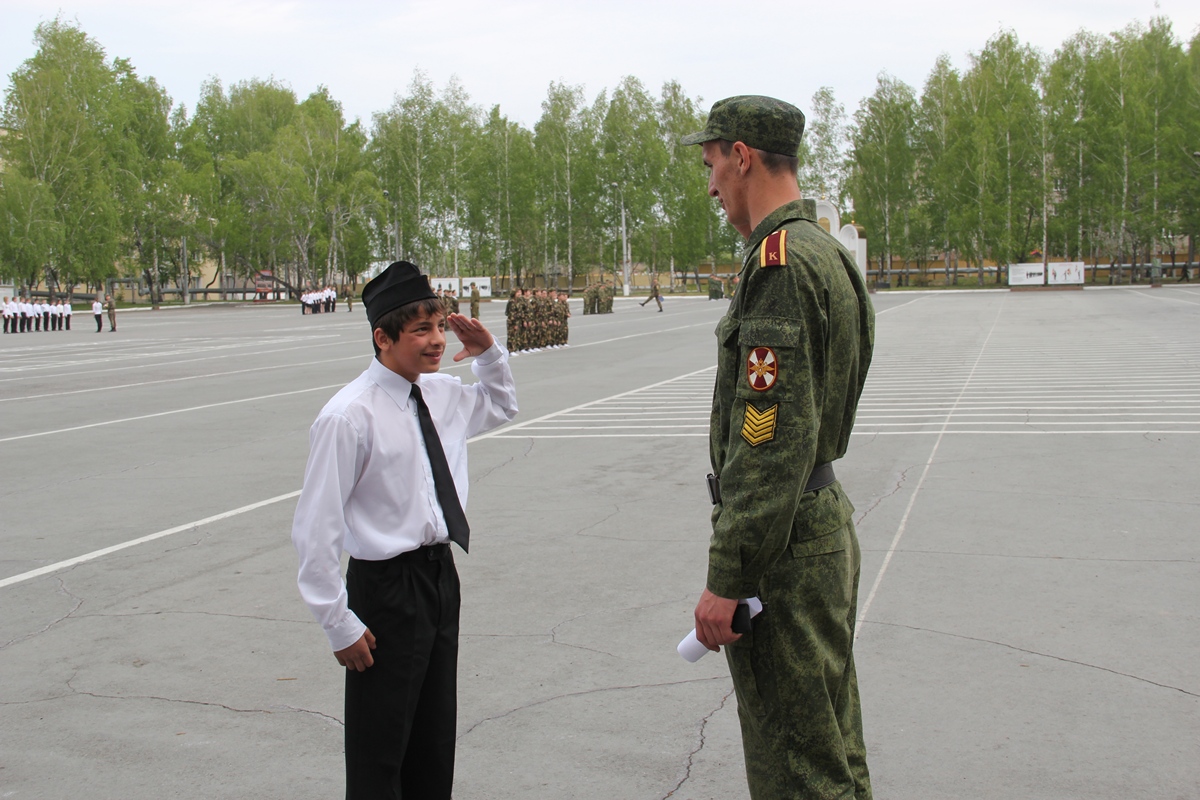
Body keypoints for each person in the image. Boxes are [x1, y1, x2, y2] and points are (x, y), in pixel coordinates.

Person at [683, 95, 875, 800]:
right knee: (832, 753)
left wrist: (728, 574)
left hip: (784, 548)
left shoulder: (782, 264)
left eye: (712, 165)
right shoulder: (825, 252)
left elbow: (770, 444)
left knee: (796, 769)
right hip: (815, 526)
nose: (710, 186)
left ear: (742, 156)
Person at [291, 260, 517, 799]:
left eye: (440, 326)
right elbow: (315, 526)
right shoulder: (348, 416)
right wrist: (337, 621)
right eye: (421, 330)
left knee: (433, 738)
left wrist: (487, 354)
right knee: (381, 747)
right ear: (382, 337)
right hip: (385, 590)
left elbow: (503, 405)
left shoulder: (442, 395)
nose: (437, 341)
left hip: (439, 577)